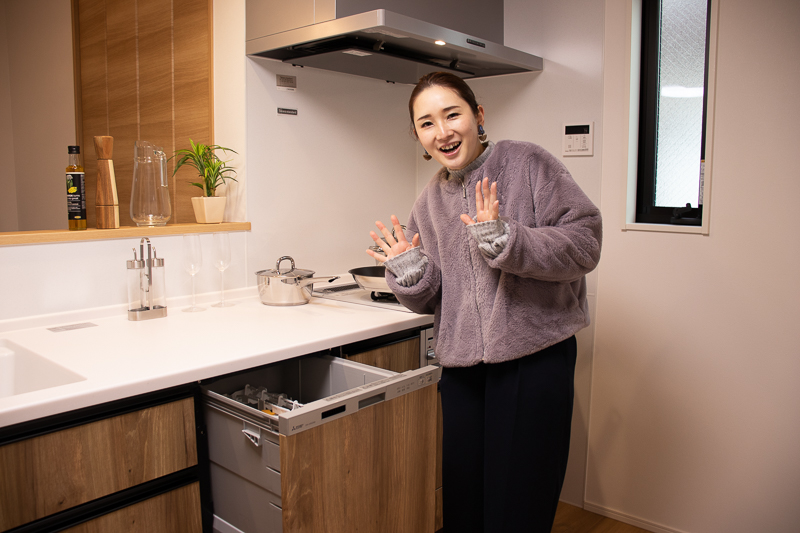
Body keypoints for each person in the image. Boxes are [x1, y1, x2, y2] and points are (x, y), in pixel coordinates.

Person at [367, 72, 602, 533]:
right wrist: (410, 271)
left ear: (477, 115)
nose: (443, 131)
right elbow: (433, 297)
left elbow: (585, 243)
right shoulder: (428, 202)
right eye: (427, 123)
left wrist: (507, 240)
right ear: (418, 135)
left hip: (533, 360)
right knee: (465, 504)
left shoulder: (528, 163)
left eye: (452, 114)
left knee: (519, 506)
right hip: (462, 373)